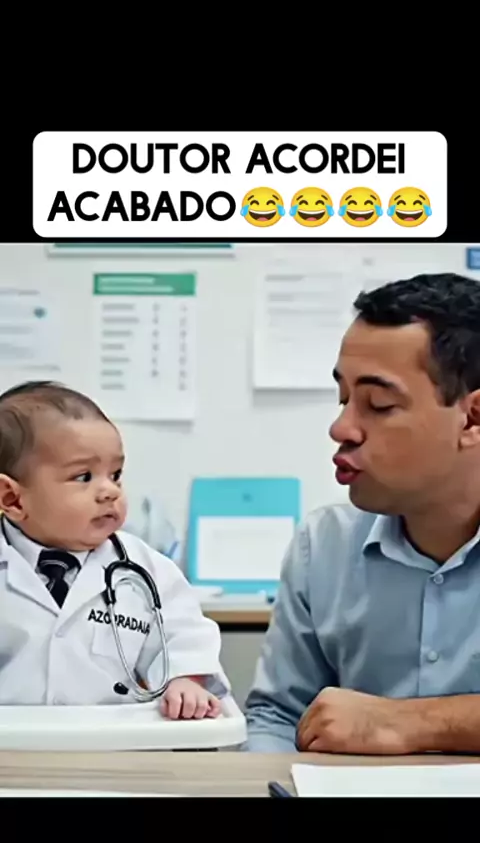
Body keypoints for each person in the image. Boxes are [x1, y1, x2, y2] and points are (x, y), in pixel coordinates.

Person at [244, 271, 480, 755]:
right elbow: (278, 716)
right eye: (344, 399)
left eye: (378, 403)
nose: (341, 428)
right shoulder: (323, 547)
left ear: (472, 419)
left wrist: (414, 723)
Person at [0, 380, 227, 718]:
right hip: (11, 741)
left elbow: (185, 634)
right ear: (12, 499)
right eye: (83, 477)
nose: (109, 491)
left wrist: (184, 681)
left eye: (115, 474)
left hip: (114, 739)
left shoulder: (147, 569)